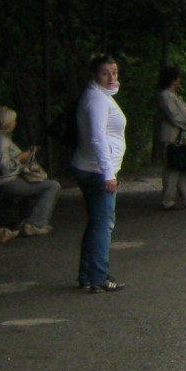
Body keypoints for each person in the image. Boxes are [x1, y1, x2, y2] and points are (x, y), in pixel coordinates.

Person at [72, 54, 126, 292]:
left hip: (92, 167)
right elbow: (97, 137)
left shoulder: (100, 96)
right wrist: (108, 173)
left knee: (97, 222)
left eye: (114, 72)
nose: (111, 77)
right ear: (95, 74)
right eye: (105, 73)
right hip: (96, 170)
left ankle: (89, 274)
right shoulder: (97, 100)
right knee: (104, 223)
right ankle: (97, 276)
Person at [0, 106, 57, 240]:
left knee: (38, 185)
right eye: (13, 120)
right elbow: (4, 166)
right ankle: (35, 223)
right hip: (8, 181)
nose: (15, 123)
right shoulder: (1, 141)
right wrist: (22, 156)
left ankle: (26, 221)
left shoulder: (4, 139)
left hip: (10, 180)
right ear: (6, 122)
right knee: (52, 185)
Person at [155, 65, 186, 210]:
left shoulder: (174, 96)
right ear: (173, 80)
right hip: (172, 137)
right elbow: (175, 116)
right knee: (172, 169)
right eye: (178, 78)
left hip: (182, 136)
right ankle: (167, 200)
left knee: (183, 167)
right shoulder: (165, 96)